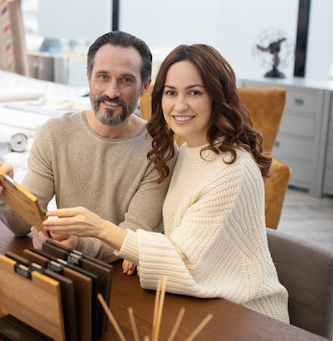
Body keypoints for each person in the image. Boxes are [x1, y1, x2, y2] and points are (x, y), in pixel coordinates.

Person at [36, 43, 290, 323]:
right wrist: (140, 247)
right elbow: (186, 233)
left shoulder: (231, 170)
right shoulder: (187, 152)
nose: (179, 105)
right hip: (203, 306)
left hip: (248, 317)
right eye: (171, 93)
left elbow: (184, 260)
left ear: (217, 97)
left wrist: (99, 228)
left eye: (194, 92)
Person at [0, 31, 177, 273]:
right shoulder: (55, 134)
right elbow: (22, 225)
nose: (112, 92)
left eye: (126, 80)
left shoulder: (160, 149)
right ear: (89, 78)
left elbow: (133, 237)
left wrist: (78, 245)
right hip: (61, 270)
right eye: (103, 76)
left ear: (145, 86)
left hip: (119, 280)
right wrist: (3, 190)